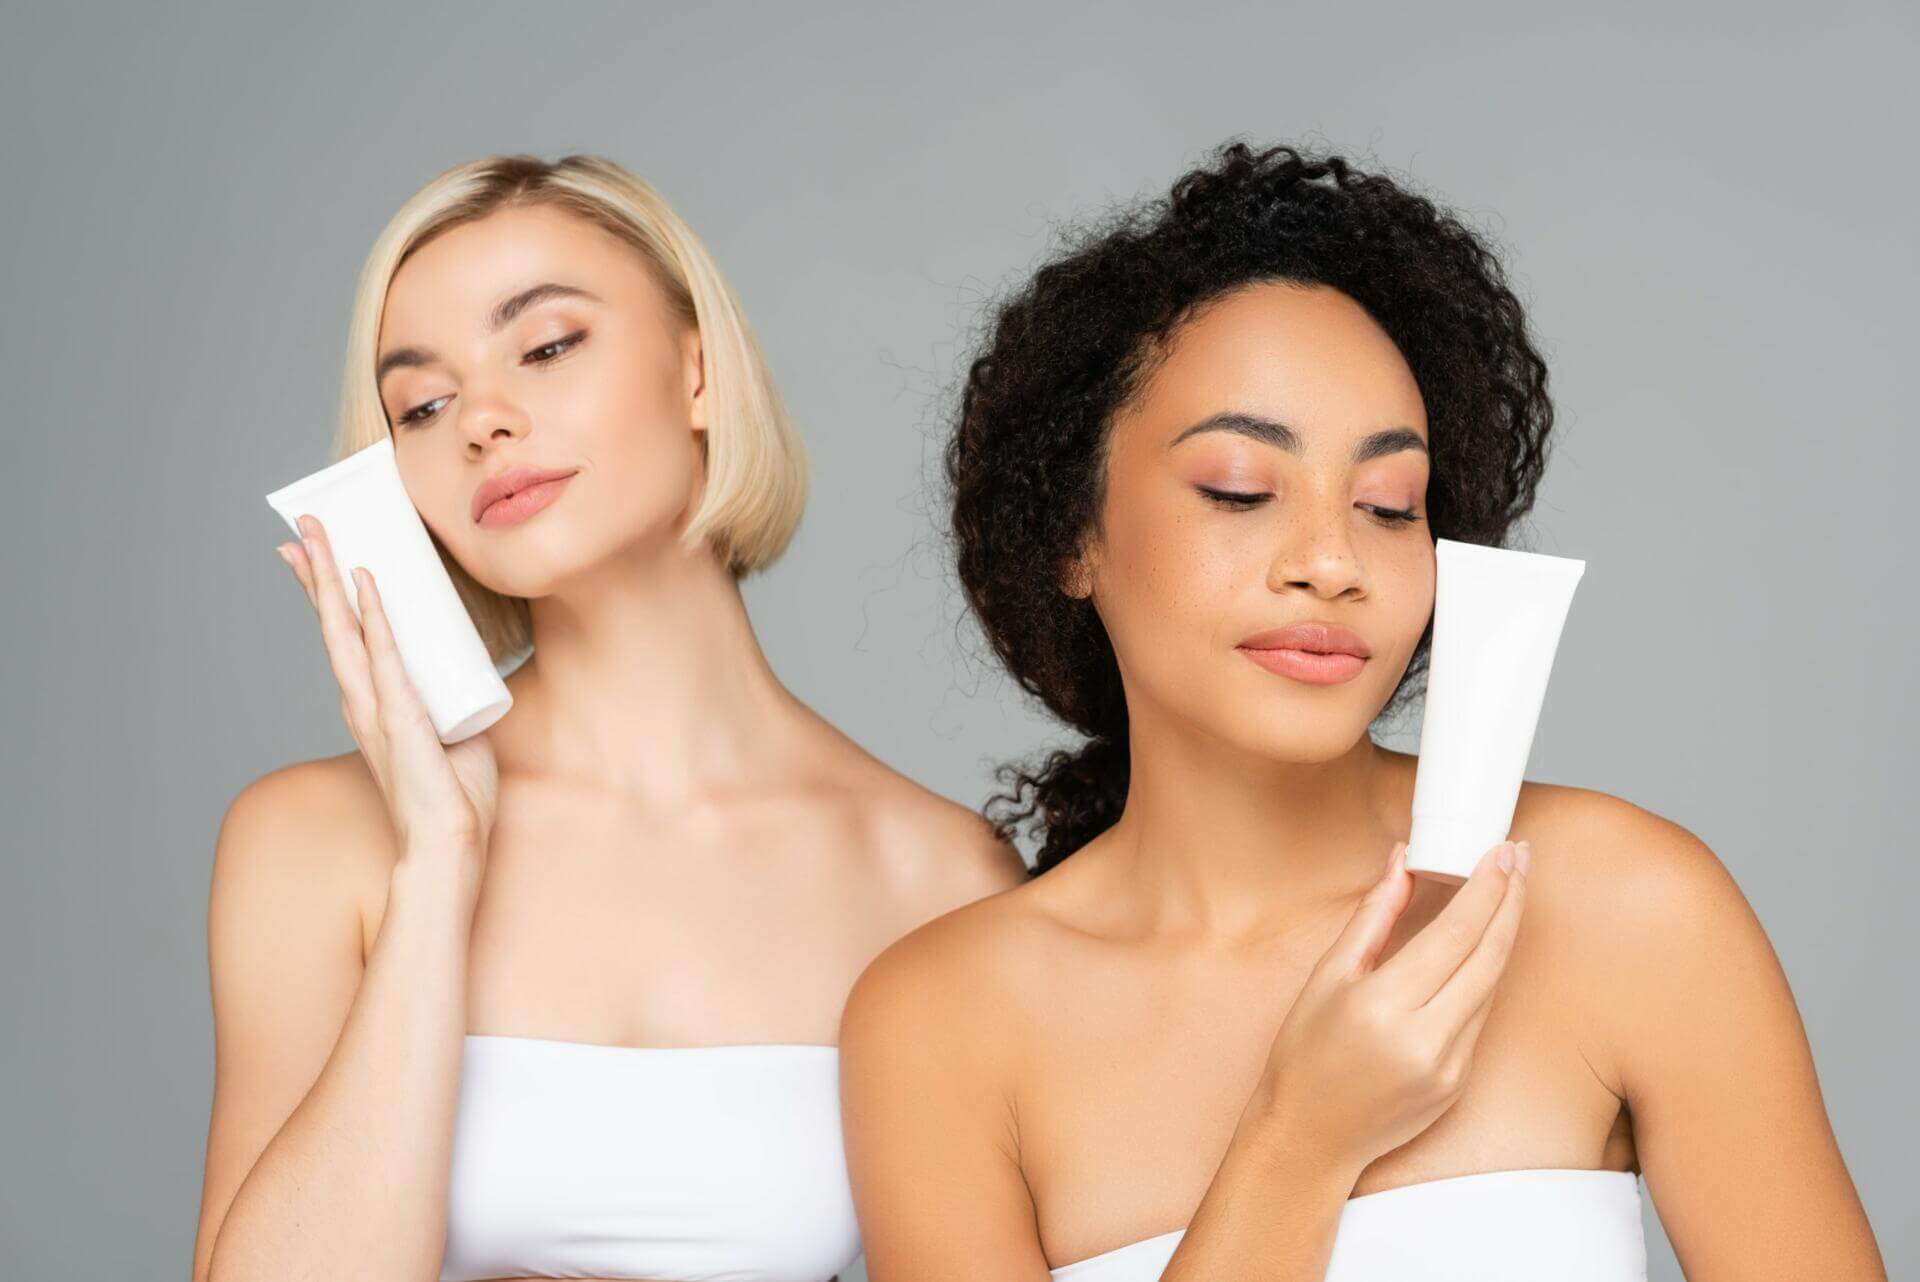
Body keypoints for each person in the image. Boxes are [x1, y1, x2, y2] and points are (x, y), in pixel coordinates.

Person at [837, 141, 1886, 1280]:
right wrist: (1301, 1139)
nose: (1333, 561)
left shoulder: (1628, 907)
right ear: (1074, 536)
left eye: (1390, 505)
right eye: (1240, 489)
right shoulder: (941, 1028)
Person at [192, 153, 1026, 1282]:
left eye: (544, 347)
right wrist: (439, 866)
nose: (480, 421)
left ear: (698, 371)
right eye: (421, 406)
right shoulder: (315, 841)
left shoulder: (938, 879)